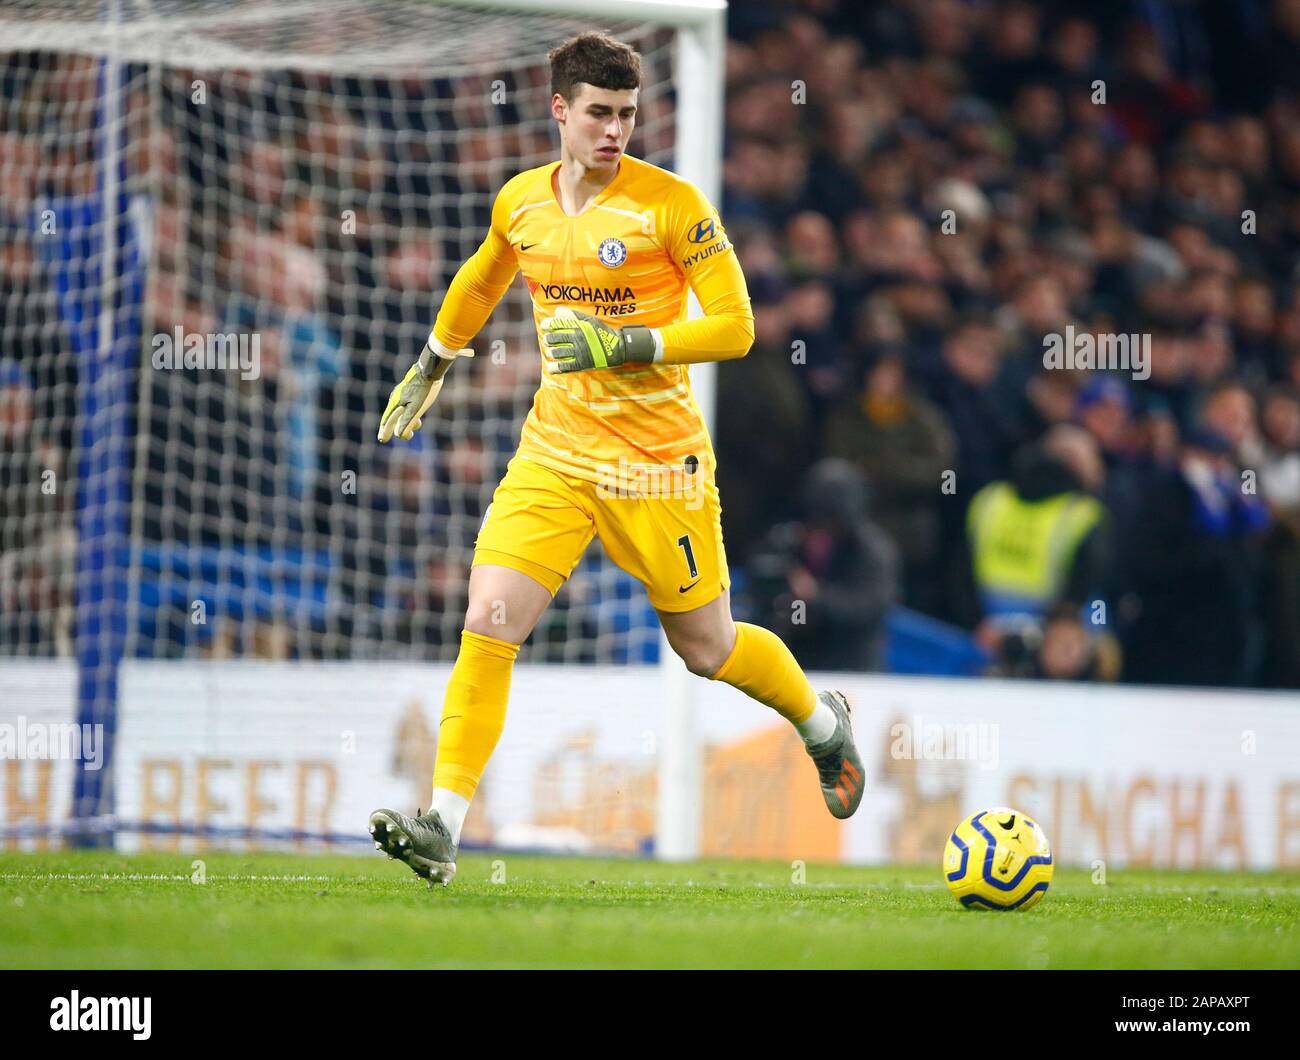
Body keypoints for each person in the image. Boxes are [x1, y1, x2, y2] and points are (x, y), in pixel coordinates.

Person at [367, 33, 866, 888]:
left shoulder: (672, 206)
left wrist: (626, 341)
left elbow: (738, 326)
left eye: (627, 114)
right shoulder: (522, 200)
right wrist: (435, 359)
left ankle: (823, 723)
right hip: (555, 451)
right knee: (489, 620)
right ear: (559, 109)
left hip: (656, 464)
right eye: (598, 112)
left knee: (706, 650)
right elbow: (487, 274)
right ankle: (442, 826)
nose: (615, 130)